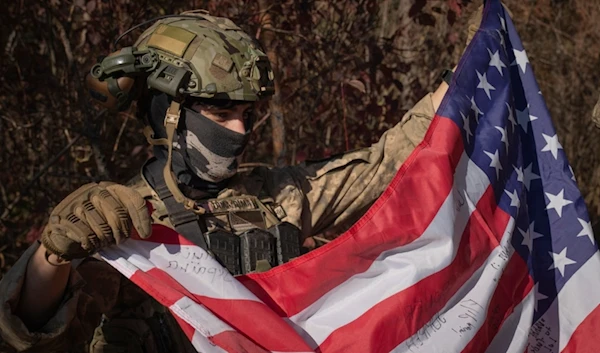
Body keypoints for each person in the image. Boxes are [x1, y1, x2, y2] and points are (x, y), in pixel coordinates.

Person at [0, 9, 467, 353]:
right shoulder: (121, 221)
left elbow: (387, 162)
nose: (240, 131)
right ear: (169, 115)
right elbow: (32, 335)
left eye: (246, 114)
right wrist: (51, 256)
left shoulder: (277, 198)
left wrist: (468, 78)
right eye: (221, 113)